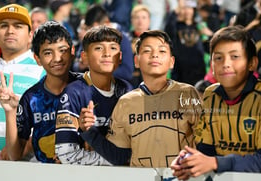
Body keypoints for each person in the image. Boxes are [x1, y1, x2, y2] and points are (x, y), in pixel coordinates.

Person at [79, 30, 202, 167]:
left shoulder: (187, 94)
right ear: (136, 61)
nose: (155, 55)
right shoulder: (127, 102)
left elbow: (205, 145)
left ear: (171, 62)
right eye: (147, 51)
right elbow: (118, 157)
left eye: (162, 51)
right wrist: (89, 131)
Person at [171, 25, 261, 180]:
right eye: (218, 58)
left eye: (235, 56)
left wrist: (216, 162)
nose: (225, 64)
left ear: (252, 63)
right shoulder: (210, 95)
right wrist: (190, 161)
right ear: (211, 65)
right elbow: (206, 150)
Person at [0, 21, 80, 163]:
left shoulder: (86, 87)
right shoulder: (31, 98)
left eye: (62, 50)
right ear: (37, 59)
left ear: (72, 51)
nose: (57, 58)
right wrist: (10, 112)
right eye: (48, 52)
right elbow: (15, 155)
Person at [55, 25, 133, 165]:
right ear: (84, 57)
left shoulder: (126, 90)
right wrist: (121, 159)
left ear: (120, 57)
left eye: (113, 48)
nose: (107, 53)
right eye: (98, 48)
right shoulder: (73, 93)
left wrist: (94, 143)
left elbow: (135, 145)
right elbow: (66, 154)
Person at [0, 3, 45, 160]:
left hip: (22, 167)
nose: (10, 31)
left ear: (30, 34)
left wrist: (24, 147)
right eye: (4, 25)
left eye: (18, 26)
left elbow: (50, 120)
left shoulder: (43, 70)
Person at [74, 4, 134, 82]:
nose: (93, 33)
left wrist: (101, 70)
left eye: (94, 28)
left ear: (105, 23)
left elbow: (127, 72)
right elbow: (75, 65)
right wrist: (80, 66)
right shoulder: (89, 37)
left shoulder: (123, 39)